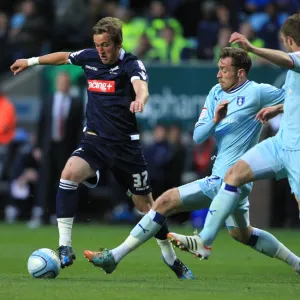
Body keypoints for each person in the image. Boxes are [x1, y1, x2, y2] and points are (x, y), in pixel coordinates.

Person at [83, 47, 300, 275]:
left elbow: (294, 98)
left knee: (164, 201)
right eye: (218, 68)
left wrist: (277, 107)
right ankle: (297, 263)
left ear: (241, 73)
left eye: (225, 70)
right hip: (231, 180)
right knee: (242, 234)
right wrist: (216, 119)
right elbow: (198, 136)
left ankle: (115, 256)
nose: (218, 74)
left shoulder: (257, 92)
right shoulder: (216, 92)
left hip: (228, 179)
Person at [10, 17, 193, 279]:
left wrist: (140, 101)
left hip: (125, 148)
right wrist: (30, 62)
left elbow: (142, 88)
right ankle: (64, 246)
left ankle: (171, 259)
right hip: (95, 141)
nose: (101, 50)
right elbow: (63, 57)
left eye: (106, 45)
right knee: (68, 174)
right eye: (97, 45)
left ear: (118, 43)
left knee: (148, 208)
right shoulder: (89, 58)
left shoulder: (131, 63)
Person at [163, 13, 300, 266]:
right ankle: (205, 239)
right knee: (235, 185)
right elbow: (291, 95)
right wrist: (278, 109)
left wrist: (251, 48)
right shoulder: (218, 92)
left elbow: (287, 61)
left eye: (284, 42)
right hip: (280, 143)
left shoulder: (291, 63)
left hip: (298, 150)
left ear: (289, 40)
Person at [27, 72, 84, 228]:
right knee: (45, 180)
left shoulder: (76, 103)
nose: (63, 84)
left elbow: (78, 129)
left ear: (69, 84)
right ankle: (40, 213)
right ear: (57, 83)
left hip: (66, 148)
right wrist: (37, 147)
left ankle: (58, 214)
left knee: (63, 182)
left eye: (66, 82)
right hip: (48, 146)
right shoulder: (49, 100)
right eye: (60, 82)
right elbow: (41, 124)